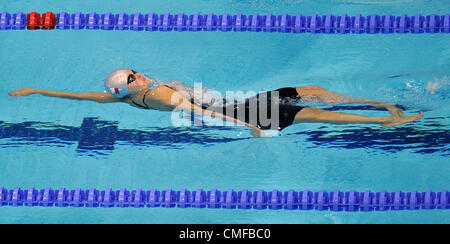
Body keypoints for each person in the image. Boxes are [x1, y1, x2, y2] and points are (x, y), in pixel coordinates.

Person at [8, 68, 423, 137]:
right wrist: (250, 126)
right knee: (310, 110)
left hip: (236, 102)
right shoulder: (162, 97)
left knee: (307, 90)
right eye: (133, 78)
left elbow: (80, 95)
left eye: (135, 71)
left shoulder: (127, 100)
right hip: (237, 112)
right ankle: (387, 119)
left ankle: (378, 104)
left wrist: (36, 91)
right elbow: (200, 113)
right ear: (130, 90)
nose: (141, 76)